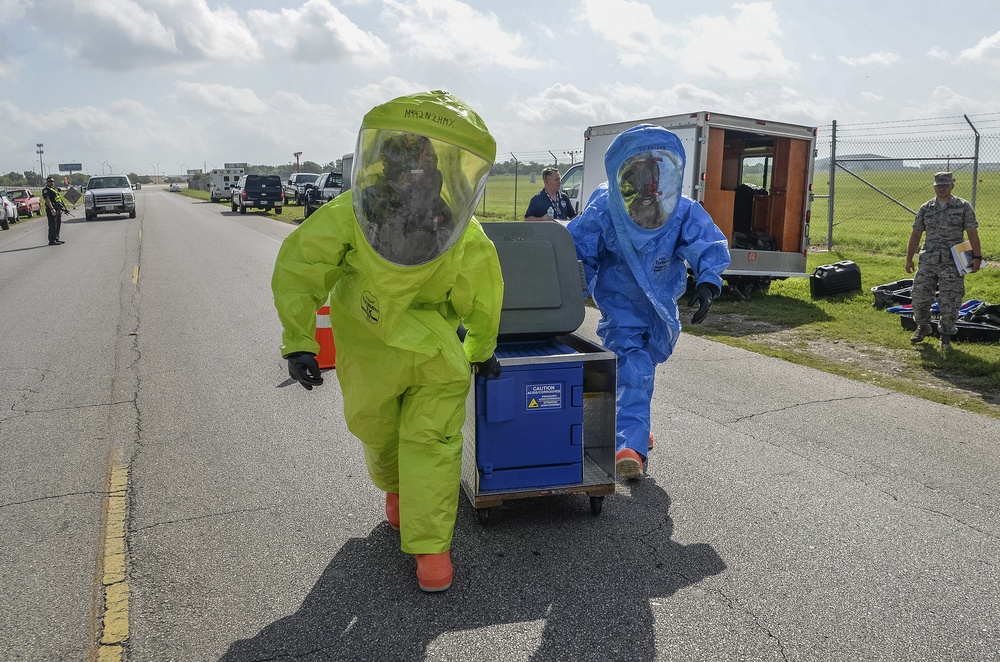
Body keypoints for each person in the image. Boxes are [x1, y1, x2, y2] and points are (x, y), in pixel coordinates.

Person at [271, 90, 504, 593]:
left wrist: (299, 341)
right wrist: (481, 350)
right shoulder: (463, 230)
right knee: (431, 442)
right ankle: (431, 556)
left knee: (382, 430)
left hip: (370, 347)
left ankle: (403, 507)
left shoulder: (350, 214)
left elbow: (301, 268)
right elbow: (483, 296)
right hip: (435, 353)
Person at [568, 124, 731, 479]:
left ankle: (633, 431)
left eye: (652, 172)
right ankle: (630, 446)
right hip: (621, 306)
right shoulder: (606, 208)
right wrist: (571, 292)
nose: (647, 183)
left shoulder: (678, 211)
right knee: (634, 369)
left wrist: (707, 282)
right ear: (625, 173)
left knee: (640, 371)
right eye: (639, 172)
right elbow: (579, 252)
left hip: (660, 309)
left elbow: (705, 242)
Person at [905, 171, 982, 352]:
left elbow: (972, 233)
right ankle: (923, 326)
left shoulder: (963, 206)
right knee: (919, 296)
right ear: (934, 186)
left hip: (952, 262)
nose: (942, 188)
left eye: (945, 185)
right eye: (939, 185)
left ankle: (946, 335)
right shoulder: (926, 208)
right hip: (928, 260)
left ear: (952, 186)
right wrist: (909, 258)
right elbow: (916, 234)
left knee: (950, 299)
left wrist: (977, 257)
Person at [41, 176, 65, 245]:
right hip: (52, 209)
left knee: (58, 224)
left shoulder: (54, 189)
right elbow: (47, 200)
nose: (51, 183)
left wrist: (67, 188)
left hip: (57, 209)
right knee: (52, 225)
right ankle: (52, 240)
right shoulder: (46, 190)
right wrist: (52, 209)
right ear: (47, 182)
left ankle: (56, 238)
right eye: (49, 181)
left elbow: (62, 189)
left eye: (52, 181)